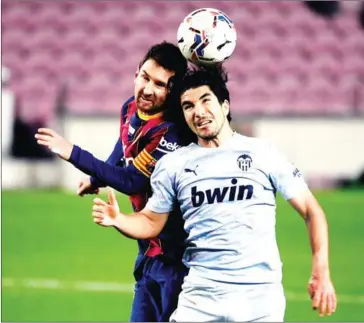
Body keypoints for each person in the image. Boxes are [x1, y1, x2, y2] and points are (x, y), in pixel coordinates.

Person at [91, 67, 337, 322]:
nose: (198, 112)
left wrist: (321, 268)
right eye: (188, 106)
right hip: (200, 301)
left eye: (205, 101)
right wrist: (119, 219)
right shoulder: (173, 164)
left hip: (260, 302)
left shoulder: (263, 153)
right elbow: (152, 221)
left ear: (225, 106)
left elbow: (310, 210)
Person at [35, 41, 196, 322]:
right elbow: (122, 148)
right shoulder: (130, 108)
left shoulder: (171, 133)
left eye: (159, 84)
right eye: (145, 77)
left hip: (177, 259)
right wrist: (96, 177)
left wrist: (74, 153)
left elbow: (132, 181)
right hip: (148, 252)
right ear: (136, 73)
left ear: (172, 90)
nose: (147, 89)